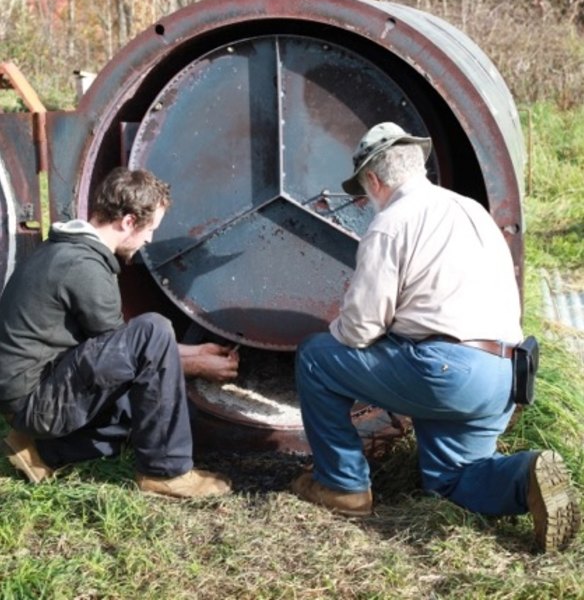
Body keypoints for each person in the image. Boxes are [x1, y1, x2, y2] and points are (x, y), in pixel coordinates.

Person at [291, 122, 581, 552]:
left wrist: (347, 333)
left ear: (373, 179)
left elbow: (360, 329)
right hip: (505, 375)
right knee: (451, 478)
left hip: (446, 372)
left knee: (317, 356)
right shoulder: (472, 211)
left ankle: (342, 485)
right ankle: (525, 477)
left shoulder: (391, 224)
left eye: (363, 189)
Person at [0, 167, 239, 498]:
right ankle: (165, 472)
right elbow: (136, 350)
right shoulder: (83, 266)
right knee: (153, 329)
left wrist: (195, 352)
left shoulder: (66, 248)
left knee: (146, 398)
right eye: (150, 229)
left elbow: (116, 344)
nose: (149, 240)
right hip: (36, 403)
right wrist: (197, 365)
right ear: (128, 221)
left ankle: (40, 453)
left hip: (31, 393)